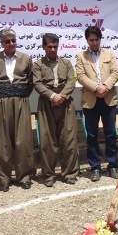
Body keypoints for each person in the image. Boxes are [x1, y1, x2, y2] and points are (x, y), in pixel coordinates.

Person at [0, 28, 34, 192]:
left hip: (21, 101)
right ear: (1, 43)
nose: (11, 43)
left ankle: (25, 176)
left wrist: (18, 94)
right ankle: (4, 178)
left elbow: (31, 82)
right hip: (1, 102)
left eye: (13, 40)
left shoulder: (26, 58)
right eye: (7, 41)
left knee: (23, 139)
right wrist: (4, 94)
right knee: (2, 141)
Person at [75, 26, 118, 182]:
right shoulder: (81, 56)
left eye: (96, 39)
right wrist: (96, 87)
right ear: (87, 40)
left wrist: (105, 87)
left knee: (110, 134)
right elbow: (80, 76)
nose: (94, 43)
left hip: (108, 98)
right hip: (91, 99)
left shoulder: (109, 53)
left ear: (100, 39)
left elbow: (116, 72)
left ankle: (112, 165)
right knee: (92, 136)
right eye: (91, 40)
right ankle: (95, 167)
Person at [33, 33, 78, 186]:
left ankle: (70, 173)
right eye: (49, 47)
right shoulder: (38, 64)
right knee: (47, 140)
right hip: (47, 104)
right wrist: (52, 96)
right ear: (43, 47)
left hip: (66, 104)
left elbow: (71, 81)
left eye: (55, 46)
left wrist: (62, 96)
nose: (52, 49)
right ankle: (48, 175)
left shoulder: (66, 63)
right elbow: (37, 83)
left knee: (69, 139)